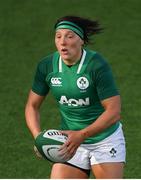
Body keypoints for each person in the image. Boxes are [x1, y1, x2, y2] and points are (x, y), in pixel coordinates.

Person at [25, 15, 126, 179]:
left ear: (82, 41)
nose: (63, 42)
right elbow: (32, 106)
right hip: (70, 142)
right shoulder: (47, 66)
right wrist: (39, 138)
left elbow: (113, 112)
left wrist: (82, 135)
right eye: (58, 36)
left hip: (105, 140)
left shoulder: (96, 65)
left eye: (69, 36)